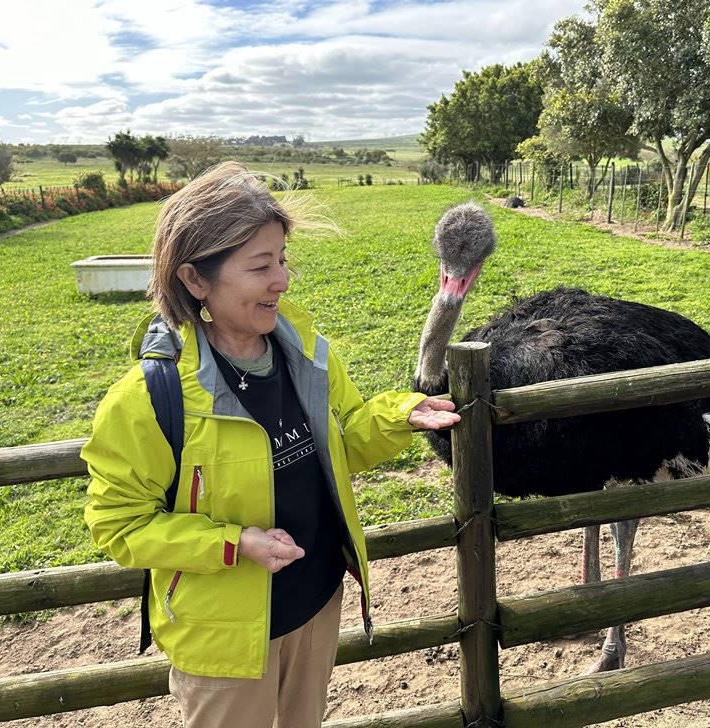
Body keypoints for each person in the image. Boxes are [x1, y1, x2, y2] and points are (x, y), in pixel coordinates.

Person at [82, 161, 459, 728]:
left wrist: (401, 413)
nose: (282, 279)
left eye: (282, 259)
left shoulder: (304, 351)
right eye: (261, 266)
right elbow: (120, 527)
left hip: (316, 601)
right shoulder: (147, 400)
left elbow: (342, 441)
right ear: (194, 280)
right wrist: (235, 544)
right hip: (224, 643)